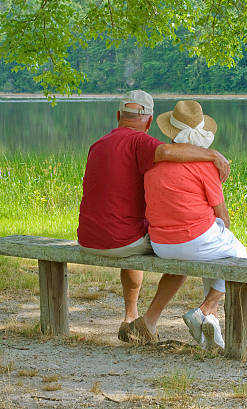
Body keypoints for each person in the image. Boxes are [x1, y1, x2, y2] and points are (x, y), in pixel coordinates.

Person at [76, 90, 231, 344]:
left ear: (118, 116)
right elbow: (170, 153)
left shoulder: (98, 144)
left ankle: (130, 315)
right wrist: (214, 155)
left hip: (88, 238)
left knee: (132, 233)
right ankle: (152, 321)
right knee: (181, 248)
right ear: (148, 122)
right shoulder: (141, 142)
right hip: (121, 241)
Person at [143, 100, 247, 350]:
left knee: (216, 252)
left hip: (160, 244)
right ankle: (207, 309)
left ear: (171, 132)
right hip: (193, 240)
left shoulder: (153, 162)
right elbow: (223, 217)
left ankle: (210, 330)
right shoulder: (205, 165)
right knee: (239, 255)